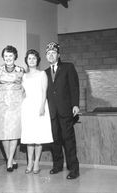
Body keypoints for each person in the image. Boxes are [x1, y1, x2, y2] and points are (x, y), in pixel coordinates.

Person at [45, 42, 80, 179]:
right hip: (51, 112)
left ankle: (74, 169)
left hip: (66, 111)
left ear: (58, 55)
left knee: (68, 140)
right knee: (55, 140)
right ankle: (57, 166)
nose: (51, 55)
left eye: (53, 53)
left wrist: (75, 105)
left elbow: (74, 87)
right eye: (48, 53)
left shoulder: (68, 67)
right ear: (46, 56)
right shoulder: (45, 73)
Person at [21, 49, 53, 174]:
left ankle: (36, 164)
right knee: (29, 137)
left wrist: (42, 107)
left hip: (39, 106)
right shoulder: (23, 76)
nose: (32, 60)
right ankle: (29, 163)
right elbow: (23, 93)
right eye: (29, 58)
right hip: (27, 107)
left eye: (34, 58)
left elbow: (44, 92)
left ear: (37, 60)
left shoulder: (42, 74)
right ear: (26, 60)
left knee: (38, 137)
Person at [0, 45, 24, 172]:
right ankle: (10, 159)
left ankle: (9, 161)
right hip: (3, 105)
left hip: (16, 105)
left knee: (14, 133)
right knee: (3, 134)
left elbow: (24, 88)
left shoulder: (21, 70)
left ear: (15, 56)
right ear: (3, 57)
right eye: (6, 55)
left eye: (10, 55)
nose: (8, 58)